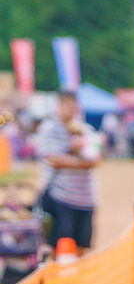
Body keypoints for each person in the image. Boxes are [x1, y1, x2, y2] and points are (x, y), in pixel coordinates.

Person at [36, 89, 100, 254]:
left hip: (85, 197)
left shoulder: (85, 129)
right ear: (58, 106)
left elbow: (96, 157)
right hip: (61, 195)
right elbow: (52, 157)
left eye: (73, 104)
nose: (70, 109)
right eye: (66, 104)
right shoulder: (50, 128)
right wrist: (79, 157)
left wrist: (85, 153)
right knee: (58, 245)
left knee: (82, 244)